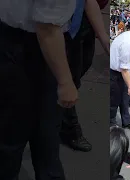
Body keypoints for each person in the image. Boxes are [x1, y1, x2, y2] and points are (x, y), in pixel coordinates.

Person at [0, 0, 78, 179]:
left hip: (15, 39)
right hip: (31, 46)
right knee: (22, 137)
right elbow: (47, 29)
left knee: (18, 136)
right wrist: (65, 82)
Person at [60, 0, 109, 152]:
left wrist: (104, 38)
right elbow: (46, 27)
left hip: (83, 23)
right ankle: (70, 129)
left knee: (83, 65)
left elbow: (89, 1)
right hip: (61, 24)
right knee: (68, 80)